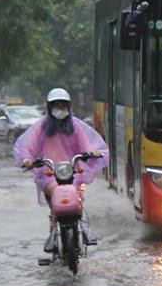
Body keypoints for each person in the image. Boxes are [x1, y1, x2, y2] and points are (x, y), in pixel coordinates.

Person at [13, 88, 109, 254]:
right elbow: (25, 147)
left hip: (72, 171)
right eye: (56, 105)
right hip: (49, 172)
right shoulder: (40, 128)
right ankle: (53, 229)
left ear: (68, 106)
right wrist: (27, 160)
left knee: (76, 196)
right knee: (55, 193)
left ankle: (80, 225)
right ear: (49, 107)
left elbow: (86, 146)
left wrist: (91, 153)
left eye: (63, 105)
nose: (60, 109)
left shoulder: (76, 127)